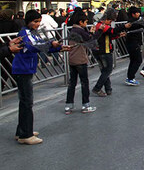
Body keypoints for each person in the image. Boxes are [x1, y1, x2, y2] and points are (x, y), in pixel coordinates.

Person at [11, 10, 68, 144]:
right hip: (22, 70)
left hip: (26, 69)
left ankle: (22, 131)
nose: (37, 24)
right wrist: (51, 45)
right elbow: (33, 47)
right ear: (28, 21)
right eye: (35, 21)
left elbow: (41, 46)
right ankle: (26, 135)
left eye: (38, 21)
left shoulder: (32, 33)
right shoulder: (25, 33)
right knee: (27, 102)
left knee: (25, 102)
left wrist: (58, 48)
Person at [91, 8, 129, 96]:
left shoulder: (98, 25)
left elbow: (108, 36)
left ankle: (108, 89)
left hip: (98, 50)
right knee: (107, 70)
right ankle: (97, 88)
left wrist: (118, 35)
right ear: (107, 19)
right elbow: (111, 31)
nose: (111, 23)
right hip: (104, 50)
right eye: (111, 21)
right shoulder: (102, 26)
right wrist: (124, 26)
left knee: (105, 70)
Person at [65, 11, 96, 114]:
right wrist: (91, 32)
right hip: (80, 59)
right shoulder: (80, 31)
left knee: (72, 83)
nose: (86, 24)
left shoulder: (72, 30)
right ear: (80, 21)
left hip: (72, 59)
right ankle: (85, 105)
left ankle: (68, 106)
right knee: (84, 82)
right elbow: (89, 39)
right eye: (85, 22)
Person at [124, 7, 144, 85]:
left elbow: (142, 23)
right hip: (133, 43)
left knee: (133, 60)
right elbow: (143, 24)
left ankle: (130, 77)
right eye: (137, 13)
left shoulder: (132, 21)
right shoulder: (132, 22)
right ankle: (130, 78)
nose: (139, 14)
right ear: (133, 14)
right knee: (138, 60)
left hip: (132, 43)